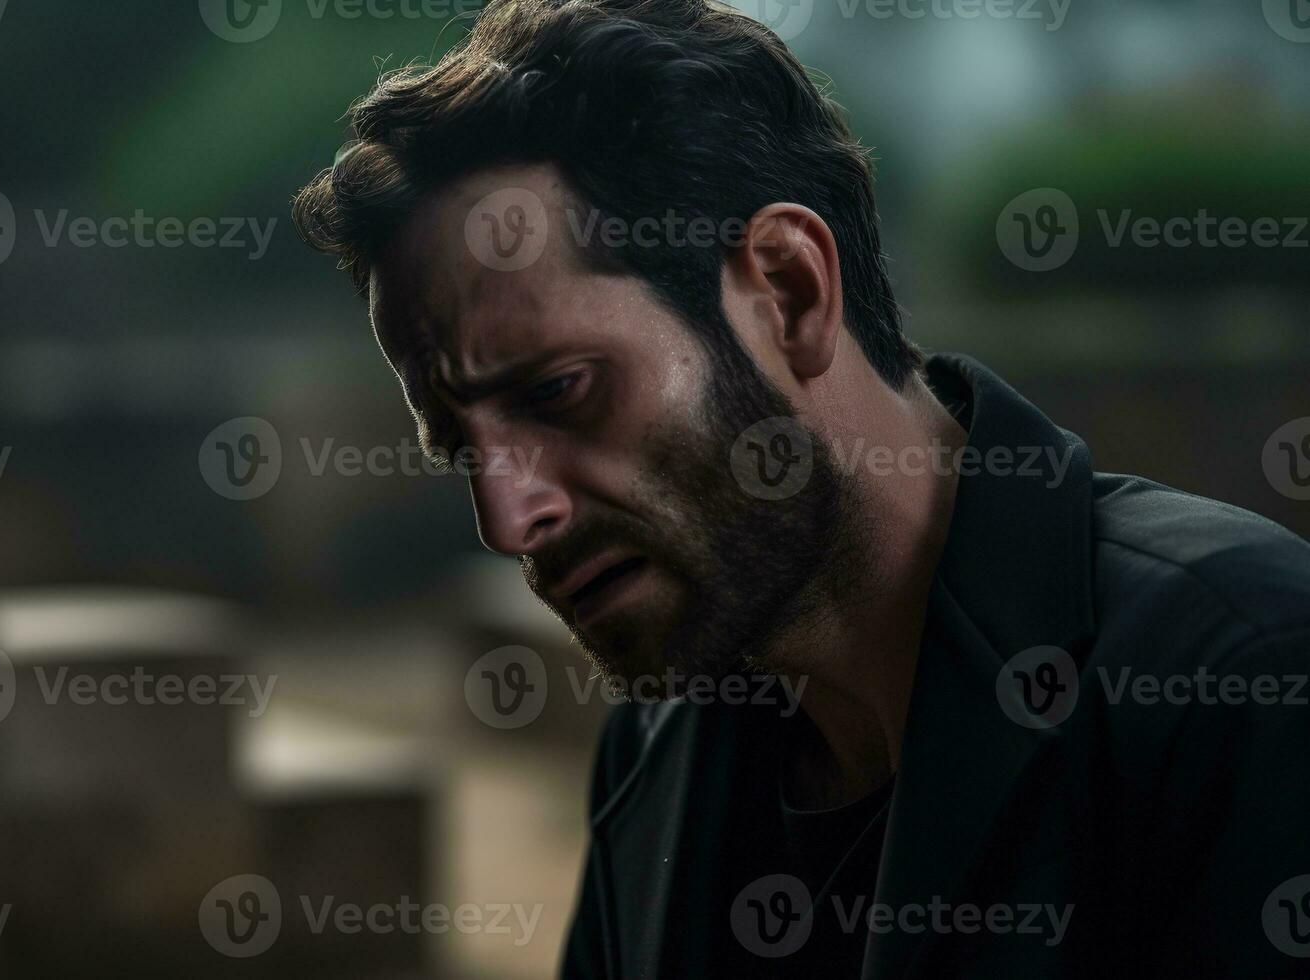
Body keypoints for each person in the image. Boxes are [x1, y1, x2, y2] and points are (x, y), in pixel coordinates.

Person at [290, 0, 1310, 974]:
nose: (513, 518)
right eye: (461, 451)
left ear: (788, 289)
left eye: (560, 391)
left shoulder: (1238, 676)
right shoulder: (656, 757)